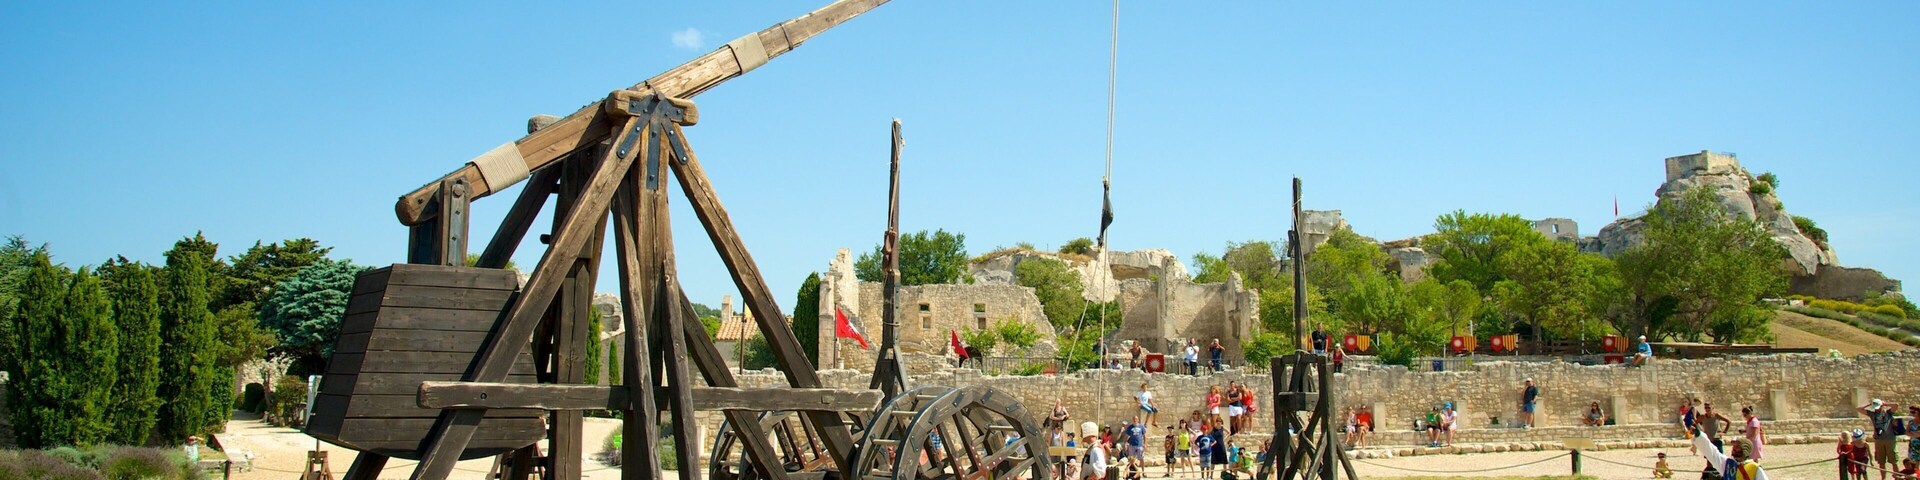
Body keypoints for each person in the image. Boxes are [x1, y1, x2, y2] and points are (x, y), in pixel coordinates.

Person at [1691, 428, 1769, 480]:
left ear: (1745, 449)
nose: (1733, 449)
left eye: (1737, 447)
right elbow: (1712, 453)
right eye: (1733, 446)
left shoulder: (1755, 468)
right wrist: (1699, 436)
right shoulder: (1728, 464)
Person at [1863, 399, 1903, 480]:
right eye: (1875, 407)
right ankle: (1883, 478)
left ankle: (1897, 478)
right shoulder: (1872, 414)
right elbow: (1858, 409)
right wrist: (1868, 405)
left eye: (1878, 407)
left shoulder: (1888, 413)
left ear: (1881, 406)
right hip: (1878, 440)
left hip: (1890, 439)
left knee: (1893, 461)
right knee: (1881, 462)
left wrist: (1885, 403)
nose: (1876, 409)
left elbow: (1896, 405)